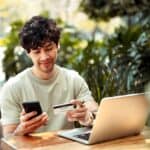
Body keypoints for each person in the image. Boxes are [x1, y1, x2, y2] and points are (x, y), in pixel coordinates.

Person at [0, 16, 98, 136]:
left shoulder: (74, 80)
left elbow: (95, 112)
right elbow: (8, 138)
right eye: (37, 52)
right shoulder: (12, 88)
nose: (44, 57)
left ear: (58, 46)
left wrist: (88, 116)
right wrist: (22, 130)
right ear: (28, 52)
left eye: (49, 48)